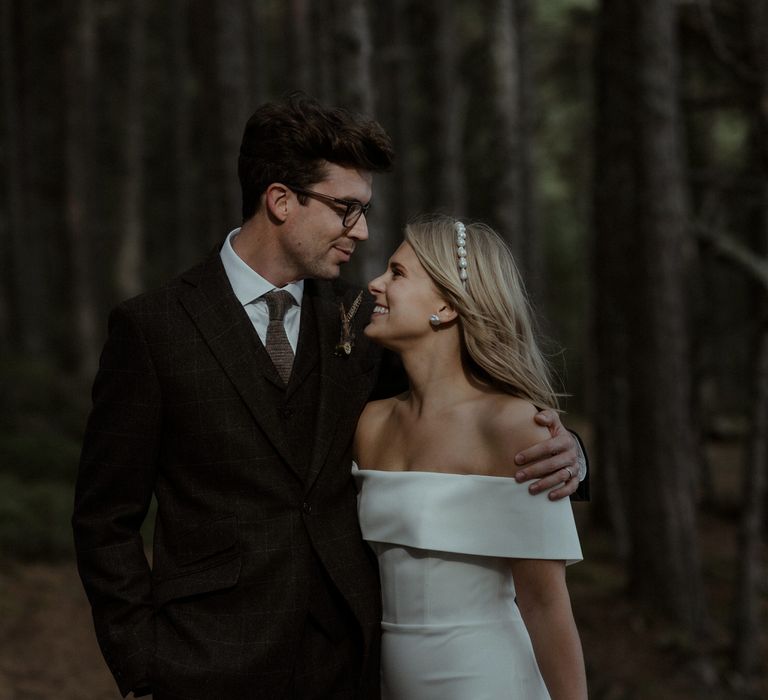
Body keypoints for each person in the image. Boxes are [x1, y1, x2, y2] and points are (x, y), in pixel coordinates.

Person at [72, 95, 585, 700]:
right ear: (282, 201)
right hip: (204, 662)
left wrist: (569, 450)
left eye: (364, 211)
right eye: (346, 208)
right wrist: (142, 663)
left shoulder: (366, 320)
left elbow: (459, 408)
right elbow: (105, 519)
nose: (361, 231)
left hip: (351, 664)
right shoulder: (154, 328)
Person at [354, 215, 587, 700]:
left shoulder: (512, 427)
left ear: (445, 306)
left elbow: (545, 605)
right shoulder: (369, 423)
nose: (374, 284)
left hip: (488, 679)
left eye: (396, 274)